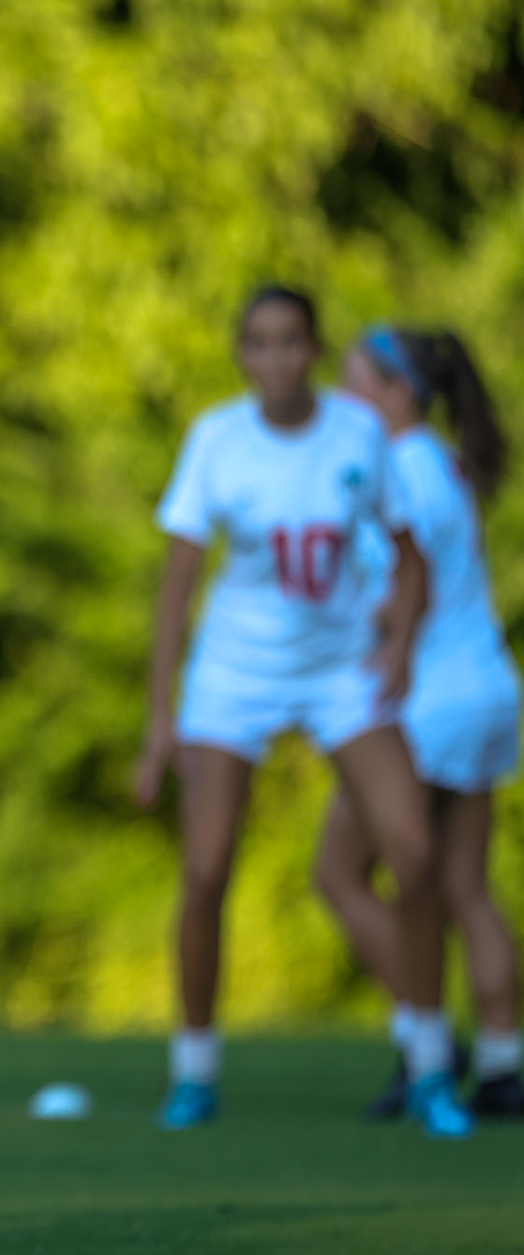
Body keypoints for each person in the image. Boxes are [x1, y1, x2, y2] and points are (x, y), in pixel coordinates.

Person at [133, 286, 472, 1137]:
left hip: (339, 673)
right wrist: (160, 718)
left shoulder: (357, 435)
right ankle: (194, 1070)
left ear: (314, 351)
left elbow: (409, 557)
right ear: (242, 355)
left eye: (291, 342)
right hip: (235, 675)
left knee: (416, 851)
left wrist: (396, 649)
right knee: (207, 867)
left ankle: (431, 1066)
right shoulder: (216, 439)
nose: (276, 359)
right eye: (258, 343)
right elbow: (176, 588)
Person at [312, 325, 523, 1119]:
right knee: (466, 885)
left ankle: (427, 1033)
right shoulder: (442, 463)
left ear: (397, 393)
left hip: (427, 701)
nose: (338, 392)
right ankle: (503, 1065)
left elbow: (403, 589)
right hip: (488, 690)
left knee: (340, 873)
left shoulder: (400, 471)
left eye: (353, 378)